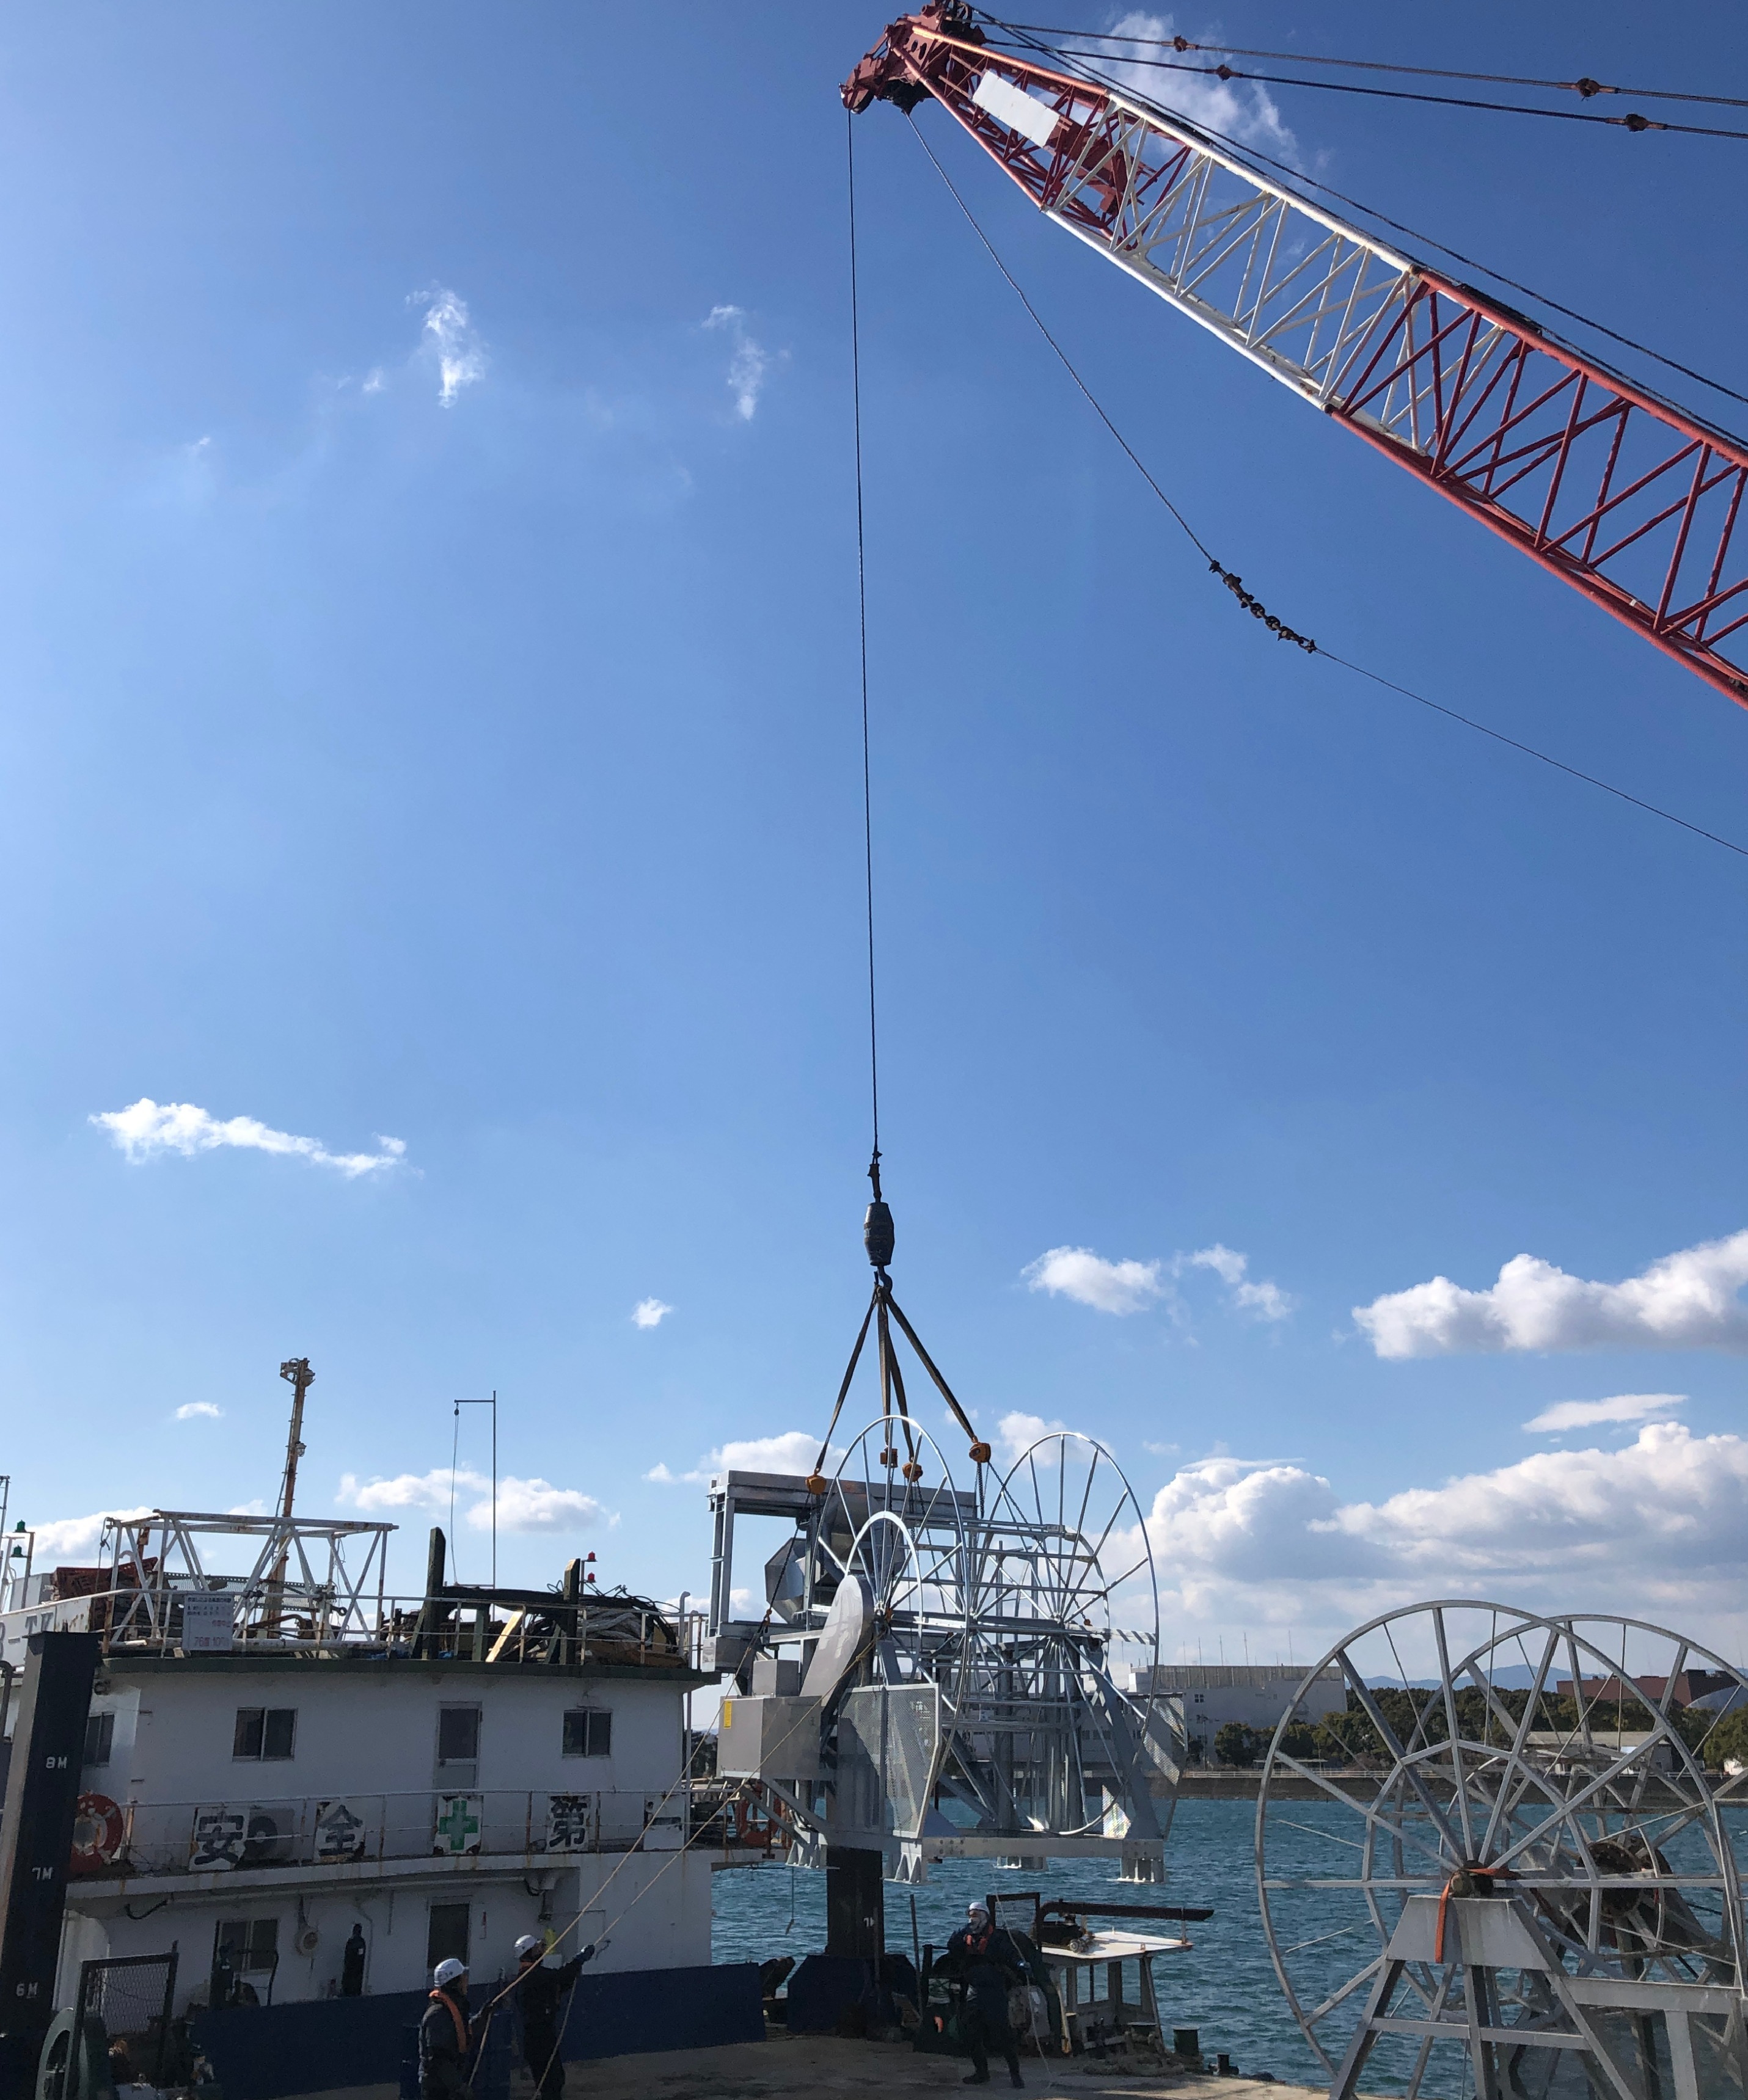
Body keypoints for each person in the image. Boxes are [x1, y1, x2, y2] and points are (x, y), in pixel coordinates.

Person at [510, 1933, 606, 2100]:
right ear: (530, 1952)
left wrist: (574, 1970)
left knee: (553, 2079)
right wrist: (579, 1960)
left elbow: (557, 1985)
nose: (542, 1951)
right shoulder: (533, 1976)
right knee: (551, 2081)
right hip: (539, 2036)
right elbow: (560, 1978)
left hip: (540, 2035)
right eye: (538, 1948)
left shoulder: (531, 1976)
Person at [945, 1902, 1025, 2089]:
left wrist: (1020, 1964)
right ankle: (981, 2072)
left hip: (994, 1991)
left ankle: (1015, 2075)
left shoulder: (996, 1938)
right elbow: (952, 1947)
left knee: (1003, 2034)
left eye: (976, 1915)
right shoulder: (965, 1936)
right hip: (973, 1991)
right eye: (970, 1915)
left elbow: (1010, 1954)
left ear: (985, 1917)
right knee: (972, 2033)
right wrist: (962, 1931)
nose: (973, 1918)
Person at [420, 1957, 488, 2100]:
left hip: (448, 2086)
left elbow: (463, 2033)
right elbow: (438, 2058)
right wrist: (458, 2087)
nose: (466, 1981)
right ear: (455, 1982)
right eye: (463, 1978)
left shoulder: (452, 2009)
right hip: (438, 2090)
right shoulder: (438, 2014)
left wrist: (485, 2015)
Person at [341, 1923, 367, 1997]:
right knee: (353, 1980)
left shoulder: (353, 1942)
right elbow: (360, 1954)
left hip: (353, 1966)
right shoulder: (359, 1942)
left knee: (351, 1980)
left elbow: (359, 1954)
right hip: (355, 1966)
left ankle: (349, 1991)